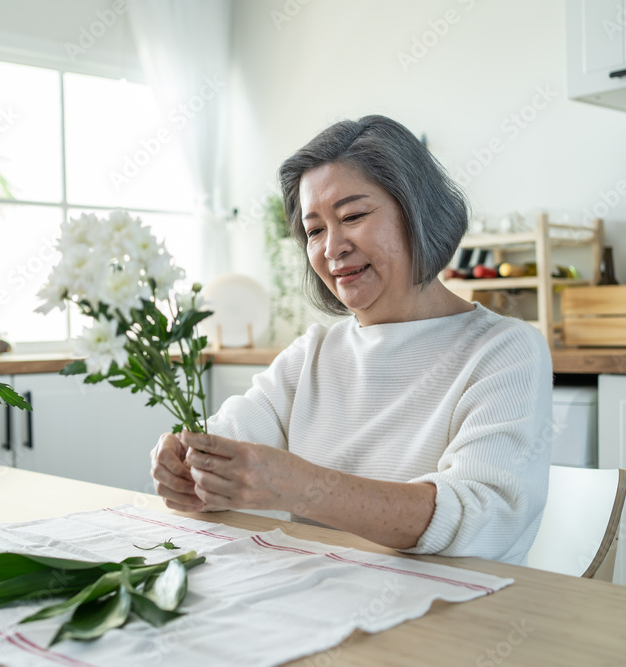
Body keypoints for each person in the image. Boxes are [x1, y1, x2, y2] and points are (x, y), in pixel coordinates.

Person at [150, 115, 553, 564]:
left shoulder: (505, 350)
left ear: (417, 212)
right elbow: (225, 451)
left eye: (353, 216)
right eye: (315, 229)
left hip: (455, 614)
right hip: (323, 603)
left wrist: (301, 487)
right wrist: (186, 469)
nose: (331, 247)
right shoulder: (313, 355)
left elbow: (483, 519)